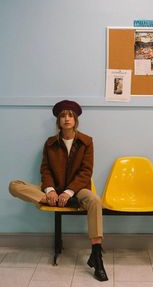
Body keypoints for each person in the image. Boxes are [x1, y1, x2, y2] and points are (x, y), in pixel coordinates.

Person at [9, 100, 108, 282]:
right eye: (63, 115)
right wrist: (50, 191)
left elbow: (86, 172)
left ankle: (97, 256)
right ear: (58, 121)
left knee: (94, 200)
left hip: (77, 190)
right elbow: (45, 170)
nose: (67, 118)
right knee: (14, 185)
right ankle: (48, 199)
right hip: (53, 189)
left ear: (76, 119)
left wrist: (68, 192)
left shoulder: (86, 142)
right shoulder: (50, 143)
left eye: (70, 115)